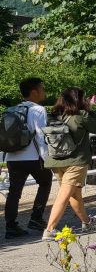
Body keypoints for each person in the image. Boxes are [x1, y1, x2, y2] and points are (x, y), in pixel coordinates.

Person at [41, 87, 96, 240]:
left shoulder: (54, 116)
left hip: (56, 161)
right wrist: (89, 110)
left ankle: (87, 223)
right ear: (79, 100)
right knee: (64, 195)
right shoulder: (81, 116)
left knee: (74, 194)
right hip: (76, 162)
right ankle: (50, 229)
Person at [4, 77, 52, 239]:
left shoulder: (11, 109)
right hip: (32, 157)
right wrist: (47, 159)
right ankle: (36, 218)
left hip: (12, 157)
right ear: (34, 92)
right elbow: (40, 136)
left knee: (14, 191)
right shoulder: (38, 110)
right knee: (45, 182)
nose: (44, 92)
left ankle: (11, 226)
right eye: (42, 89)